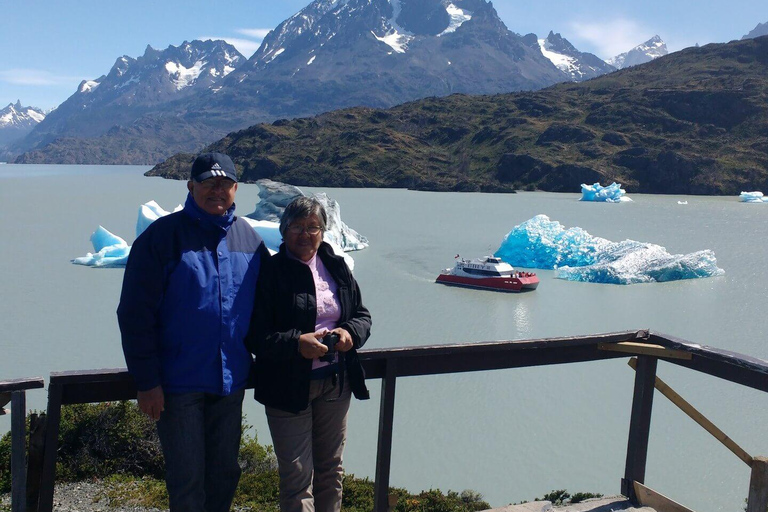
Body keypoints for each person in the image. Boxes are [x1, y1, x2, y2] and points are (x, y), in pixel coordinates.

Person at [117, 152, 269, 512]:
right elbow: (135, 314)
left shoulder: (248, 238)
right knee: (187, 482)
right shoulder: (162, 238)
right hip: (178, 384)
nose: (216, 191)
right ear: (191, 186)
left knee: (225, 474)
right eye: (207, 183)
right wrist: (147, 381)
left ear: (235, 188)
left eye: (224, 184)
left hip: (229, 381)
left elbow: (268, 306)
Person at [246, 196, 372, 512]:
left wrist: (349, 333)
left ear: (323, 230)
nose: (306, 234)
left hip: (335, 382)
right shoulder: (269, 273)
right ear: (284, 231)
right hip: (287, 386)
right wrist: (296, 343)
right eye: (298, 227)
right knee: (297, 478)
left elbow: (362, 315)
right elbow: (254, 336)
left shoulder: (337, 266)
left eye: (313, 227)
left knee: (331, 470)